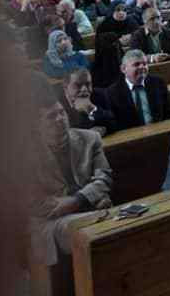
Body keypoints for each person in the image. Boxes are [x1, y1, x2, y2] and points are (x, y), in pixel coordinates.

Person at [29, 78, 113, 268]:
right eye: (51, 116)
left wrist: (78, 200)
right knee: (90, 227)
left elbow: (104, 178)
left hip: (89, 207)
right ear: (36, 125)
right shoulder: (26, 156)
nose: (60, 119)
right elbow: (36, 204)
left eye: (62, 113)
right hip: (52, 223)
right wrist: (89, 199)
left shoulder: (90, 139)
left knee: (109, 226)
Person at [98, 50, 170, 129]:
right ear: (123, 69)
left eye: (144, 64)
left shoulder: (158, 83)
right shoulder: (112, 93)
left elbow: (169, 113)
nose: (142, 67)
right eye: (136, 64)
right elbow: (114, 123)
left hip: (159, 130)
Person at [60, 68, 116, 135]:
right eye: (78, 85)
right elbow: (65, 133)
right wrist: (89, 134)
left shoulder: (100, 95)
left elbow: (113, 123)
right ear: (65, 87)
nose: (84, 89)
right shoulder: (57, 104)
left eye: (88, 84)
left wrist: (91, 108)